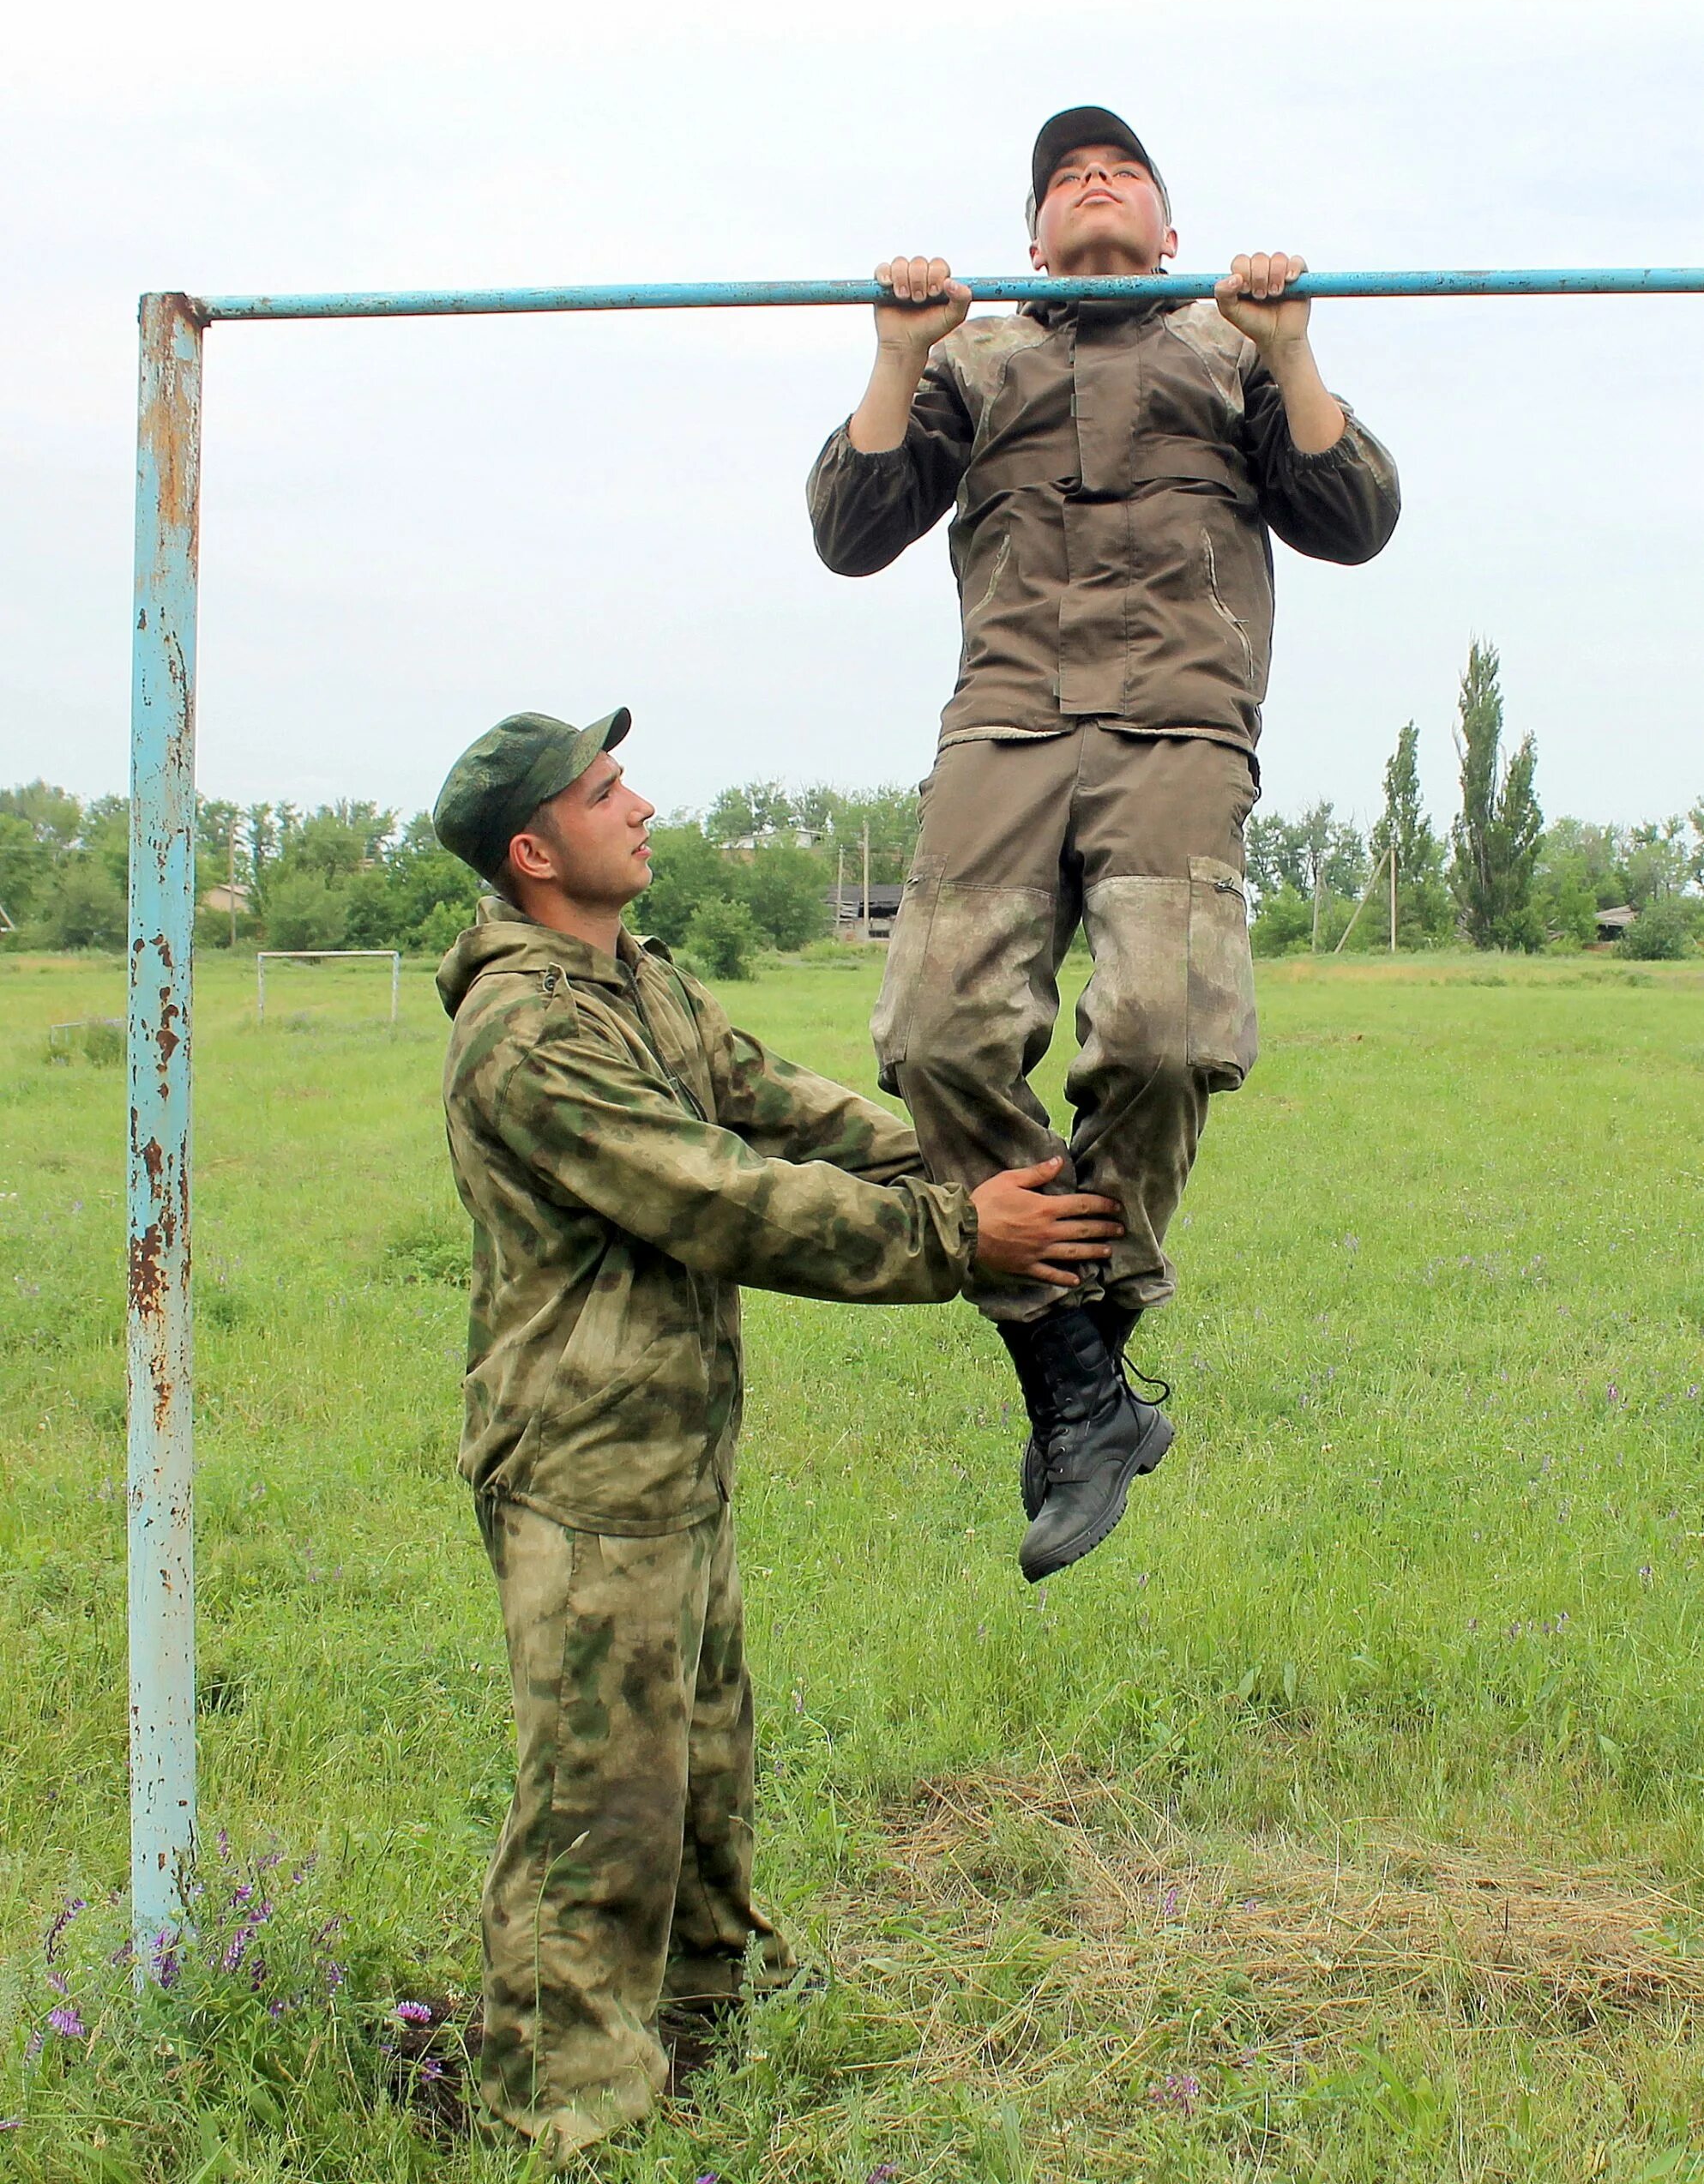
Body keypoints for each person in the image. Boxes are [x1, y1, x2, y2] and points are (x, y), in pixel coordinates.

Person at [430, 705, 1123, 2161]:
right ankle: (564, 2108)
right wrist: (957, 1235)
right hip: (581, 1459)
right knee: (596, 1803)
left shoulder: (640, 987)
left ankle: (693, 2027)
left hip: (669, 1450)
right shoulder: (530, 1032)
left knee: (698, 1760)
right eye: (605, 791)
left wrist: (982, 1163)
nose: (641, 805)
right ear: (533, 850)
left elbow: (781, 1109)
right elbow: (720, 1194)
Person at [807, 105, 1400, 1580]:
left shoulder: (1227, 342)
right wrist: (893, 352)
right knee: (935, 1033)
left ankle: (1075, 1368)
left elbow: (1355, 514)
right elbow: (852, 526)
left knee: (1161, 1035)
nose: (1092, 184)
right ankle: (1084, 1385)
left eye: (1120, 171)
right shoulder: (972, 354)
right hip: (1004, 725)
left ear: (1169, 228)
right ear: (1032, 239)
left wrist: (1293, 347)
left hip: (1177, 723)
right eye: (1065, 178)